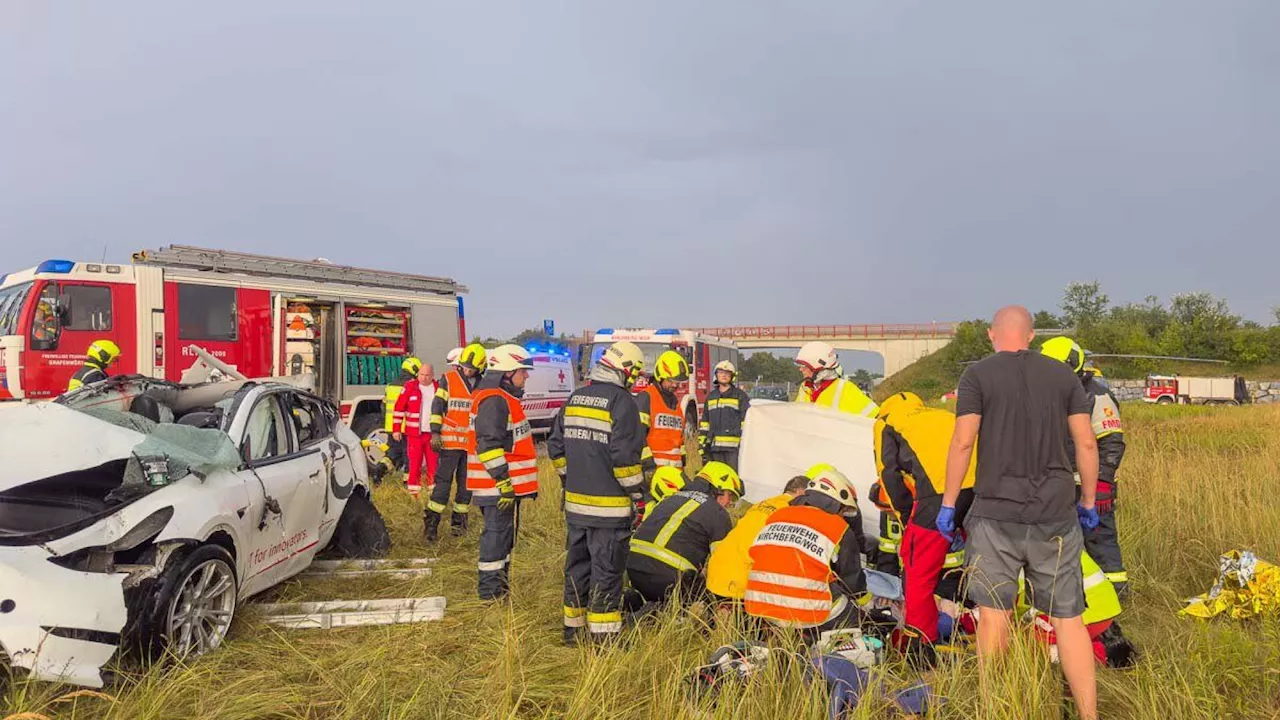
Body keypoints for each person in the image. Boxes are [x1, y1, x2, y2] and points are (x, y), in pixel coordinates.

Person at [938, 306, 1101, 720]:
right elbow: (1086, 444)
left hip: (994, 516)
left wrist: (949, 504)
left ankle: (997, 710)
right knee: (1069, 621)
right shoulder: (1064, 376)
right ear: (1030, 336)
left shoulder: (977, 375)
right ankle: (1088, 716)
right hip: (1056, 516)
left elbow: (962, 443)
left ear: (993, 334)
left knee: (994, 619)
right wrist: (1086, 503)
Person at [546, 341, 647, 644]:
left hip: (576, 508)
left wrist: (570, 479)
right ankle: (604, 640)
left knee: (577, 568)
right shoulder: (623, 402)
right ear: (626, 370)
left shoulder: (575, 398)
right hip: (610, 511)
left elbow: (555, 447)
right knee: (607, 572)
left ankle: (572, 631)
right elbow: (625, 461)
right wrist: (640, 496)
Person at [873, 391, 975, 663]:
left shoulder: (885, 423)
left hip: (940, 489)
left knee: (917, 570)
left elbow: (888, 476)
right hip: (982, 484)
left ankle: (920, 644)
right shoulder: (942, 415)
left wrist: (908, 519)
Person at [1040, 337, 1129, 597]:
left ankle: (1116, 597)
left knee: (1100, 542)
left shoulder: (1097, 396)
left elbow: (1111, 444)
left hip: (1091, 485)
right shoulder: (1049, 396)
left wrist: (1100, 485)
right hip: (1057, 486)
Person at [744, 464, 868, 639]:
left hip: (760, 606)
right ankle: (836, 653)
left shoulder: (777, 516)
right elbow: (852, 581)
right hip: (805, 613)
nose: (842, 515)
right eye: (843, 510)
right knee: (846, 609)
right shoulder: (838, 528)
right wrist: (866, 603)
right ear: (836, 504)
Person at [467, 344, 540, 601]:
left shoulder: (500, 398)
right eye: (523, 372)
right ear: (507, 373)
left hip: (501, 487)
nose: (526, 377)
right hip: (496, 487)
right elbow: (487, 445)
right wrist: (504, 482)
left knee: (503, 540)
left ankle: (499, 590)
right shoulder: (494, 400)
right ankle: (491, 595)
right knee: (496, 540)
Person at [626, 461, 741, 604]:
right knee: (711, 596)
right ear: (718, 488)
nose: (730, 503)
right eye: (730, 496)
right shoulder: (718, 514)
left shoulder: (671, 497)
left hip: (633, 568)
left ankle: (640, 605)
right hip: (670, 579)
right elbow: (723, 564)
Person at [705, 474, 810, 602]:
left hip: (715, 572)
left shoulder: (761, 504)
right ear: (801, 492)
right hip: (740, 582)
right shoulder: (791, 511)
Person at [424, 343, 487, 541]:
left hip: (470, 447)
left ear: (481, 368)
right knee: (442, 486)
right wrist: (435, 433)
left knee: (465, 488)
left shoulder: (483, 385)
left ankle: (459, 528)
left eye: (472, 369)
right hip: (449, 444)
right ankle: (431, 527)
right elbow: (437, 407)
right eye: (465, 367)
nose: (468, 370)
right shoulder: (449, 379)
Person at [636, 350, 689, 484]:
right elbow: (637, 436)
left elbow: (678, 437)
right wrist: (647, 466)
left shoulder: (675, 402)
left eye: (678, 382)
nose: (675, 385)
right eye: (671, 381)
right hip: (652, 473)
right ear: (660, 376)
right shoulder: (646, 398)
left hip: (674, 475)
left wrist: (683, 460)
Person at [793, 341, 879, 418]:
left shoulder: (845, 389)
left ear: (819, 367)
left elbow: (876, 418)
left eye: (804, 366)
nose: (800, 369)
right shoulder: (805, 387)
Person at [391, 362, 438, 497]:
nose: (423, 378)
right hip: (414, 434)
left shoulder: (438, 388)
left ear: (432, 376)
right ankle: (414, 495)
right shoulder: (410, 387)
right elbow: (399, 408)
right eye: (421, 375)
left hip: (432, 434)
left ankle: (432, 494)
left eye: (427, 375)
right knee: (414, 464)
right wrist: (396, 429)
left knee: (433, 465)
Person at [699, 360, 751, 471]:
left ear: (732, 377)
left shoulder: (740, 396)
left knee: (732, 480)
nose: (724, 375)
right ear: (716, 375)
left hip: (733, 450)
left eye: (727, 373)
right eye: (721, 372)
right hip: (714, 448)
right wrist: (702, 445)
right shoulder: (711, 397)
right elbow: (705, 423)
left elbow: (745, 422)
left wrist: (744, 443)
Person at [377, 356, 421, 479]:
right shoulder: (412, 386)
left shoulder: (390, 386)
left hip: (392, 427)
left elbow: (383, 407)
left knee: (392, 453)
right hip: (406, 428)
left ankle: (380, 468)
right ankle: (408, 482)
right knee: (410, 455)